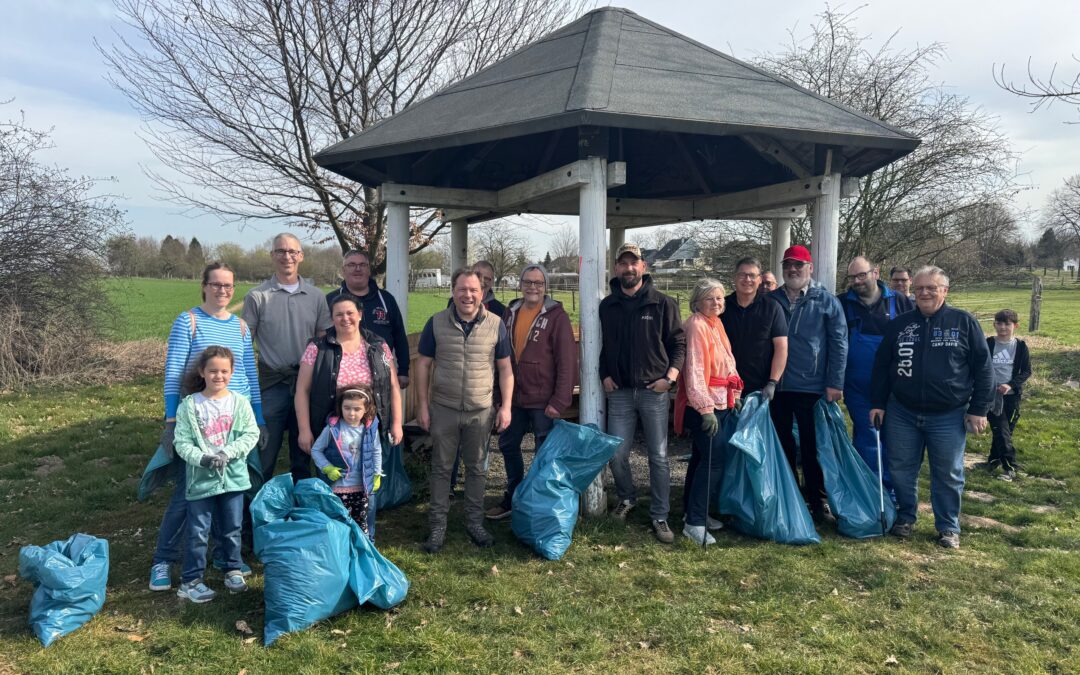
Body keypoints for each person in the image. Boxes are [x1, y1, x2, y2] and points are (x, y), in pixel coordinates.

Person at [150, 262, 261, 592]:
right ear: (204, 286)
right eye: (216, 284)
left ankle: (226, 560)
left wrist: (260, 418)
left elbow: (249, 376)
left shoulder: (241, 326)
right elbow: (173, 373)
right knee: (188, 496)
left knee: (230, 491)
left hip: (235, 421)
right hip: (198, 421)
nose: (223, 291)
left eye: (229, 285)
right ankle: (163, 560)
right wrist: (171, 420)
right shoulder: (189, 321)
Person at [870, 266, 993, 549]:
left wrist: (979, 409)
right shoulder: (900, 324)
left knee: (948, 472)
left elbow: (984, 369)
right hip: (902, 411)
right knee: (901, 468)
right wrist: (877, 403)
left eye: (932, 288)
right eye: (921, 287)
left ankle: (948, 527)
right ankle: (905, 517)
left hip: (948, 414)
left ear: (945, 291)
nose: (925, 293)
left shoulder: (964, 322)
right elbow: (881, 367)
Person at [415, 269, 514, 552]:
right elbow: (423, 365)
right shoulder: (436, 323)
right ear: (453, 291)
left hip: (480, 411)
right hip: (444, 408)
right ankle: (437, 527)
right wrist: (423, 405)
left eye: (473, 290)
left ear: (481, 293)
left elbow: (505, 368)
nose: (467, 295)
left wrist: (505, 406)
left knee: (477, 469)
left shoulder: (496, 324)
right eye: (462, 289)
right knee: (441, 469)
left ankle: (474, 523)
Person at [294, 294, 403, 539]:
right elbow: (302, 390)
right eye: (339, 314)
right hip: (333, 433)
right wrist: (304, 429)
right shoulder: (318, 347)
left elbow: (394, 386)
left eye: (350, 313)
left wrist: (396, 422)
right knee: (333, 492)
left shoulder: (378, 345)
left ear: (360, 314)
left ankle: (365, 539)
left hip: (368, 431)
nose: (345, 319)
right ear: (331, 318)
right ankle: (335, 541)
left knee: (366, 489)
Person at [600, 243, 686, 544]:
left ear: (644, 266)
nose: (629, 268)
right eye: (623, 264)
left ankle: (660, 515)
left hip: (654, 391)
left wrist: (671, 378)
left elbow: (679, 344)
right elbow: (604, 346)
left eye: (633, 263)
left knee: (659, 455)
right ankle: (627, 497)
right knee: (617, 453)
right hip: (621, 392)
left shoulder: (663, 304)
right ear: (616, 269)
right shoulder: (607, 306)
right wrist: (604, 374)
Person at [485, 265, 577, 521]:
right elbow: (499, 356)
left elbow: (567, 361)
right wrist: (498, 396)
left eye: (538, 283)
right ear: (520, 284)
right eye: (528, 282)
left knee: (544, 452)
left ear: (545, 286)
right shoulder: (510, 312)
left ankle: (539, 504)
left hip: (543, 399)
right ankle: (513, 497)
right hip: (513, 396)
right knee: (508, 444)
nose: (532, 287)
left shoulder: (557, 316)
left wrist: (560, 401)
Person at [242, 233, 332, 483]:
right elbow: (244, 345)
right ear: (272, 256)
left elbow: (322, 340)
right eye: (280, 251)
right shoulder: (257, 296)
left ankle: (302, 508)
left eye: (292, 251)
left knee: (304, 448)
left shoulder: (316, 297)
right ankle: (255, 509)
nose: (287, 256)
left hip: (308, 385)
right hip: (273, 385)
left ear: (301, 256)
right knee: (264, 448)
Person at [172, 346, 260, 603]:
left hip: (233, 478)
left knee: (232, 527)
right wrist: (203, 458)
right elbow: (182, 442)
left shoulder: (239, 403)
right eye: (213, 371)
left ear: (231, 372)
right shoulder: (189, 406)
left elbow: (250, 434)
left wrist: (227, 454)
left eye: (224, 371)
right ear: (202, 372)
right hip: (201, 481)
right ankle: (190, 581)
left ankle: (232, 568)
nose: (218, 376)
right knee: (198, 530)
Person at [767, 245, 847, 523]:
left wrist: (835, 382)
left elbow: (839, 343)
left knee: (814, 447)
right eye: (788, 265)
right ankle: (791, 496)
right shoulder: (771, 299)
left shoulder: (825, 301)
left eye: (798, 265)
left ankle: (818, 499)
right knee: (782, 443)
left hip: (811, 386)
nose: (792, 270)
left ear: (809, 268)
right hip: (778, 385)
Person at [837, 256, 913, 500]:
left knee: (895, 438)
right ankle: (871, 490)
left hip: (895, 385)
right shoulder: (842, 304)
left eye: (862, 275)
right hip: (858, 385)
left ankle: (894, 491)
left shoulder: (899, 302)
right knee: (867, 436)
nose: (857, 281)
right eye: (852, 277)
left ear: (876, 272)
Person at [674, 279, 742, 546]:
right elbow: (695, 370)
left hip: (721, 401)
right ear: (698, 301)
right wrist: (704, 409)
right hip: (704, 405)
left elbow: (728, 361)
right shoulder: (696, 326)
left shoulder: (716, 324)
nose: (717, 302)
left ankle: (694, 511)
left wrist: (734, 394)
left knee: (703, 457)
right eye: (710, 298)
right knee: (714, 460)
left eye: (720, 298)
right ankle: (694, 522)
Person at [326, 250, 411, 388]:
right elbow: (323, 336)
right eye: (352, 265)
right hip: (342, 375)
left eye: (362, 265)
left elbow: (399, 335)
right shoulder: (331, 300)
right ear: (343, 270)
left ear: (369, 269)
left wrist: (403, 370)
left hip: (381, 372)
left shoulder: (386, 299)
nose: (357, 269)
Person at [311, 385, 383, 536]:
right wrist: (327, 468)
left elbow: (376, 451)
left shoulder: (370, 430)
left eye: (357, 409)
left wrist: (376, 474)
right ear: (340, 407)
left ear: (366, 409)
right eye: (347, 408)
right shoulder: (332, 429)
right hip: (337, 487)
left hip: (362, 487)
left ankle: (363, 551)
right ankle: (340, 552)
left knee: (362, 525)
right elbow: (316, 450)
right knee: (339, 524)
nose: (351, 413)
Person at [722, 257, 787, 398]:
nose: (747, 279)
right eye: (742, 274)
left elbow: (781, 347)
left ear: (759, 280)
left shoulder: (773, 308)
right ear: (734, 277)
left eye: (752, 275)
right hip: (725, 387)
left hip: (760, 389)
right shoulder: (721, 307)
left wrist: (772, 382)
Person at [986, 309, 1031, 481]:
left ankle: (993, 460)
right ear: (994, 324)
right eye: (999, 323)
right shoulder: (988, 343)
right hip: (992, 396)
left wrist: (1010, 384)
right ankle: (1010, 467)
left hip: (1012, 396)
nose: (1003, 327)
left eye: (1007, 324)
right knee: (1001, 430)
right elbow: (979, 367)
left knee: (1005, 431)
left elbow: (1026, 371)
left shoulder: (1020, 346)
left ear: (1015, 326)